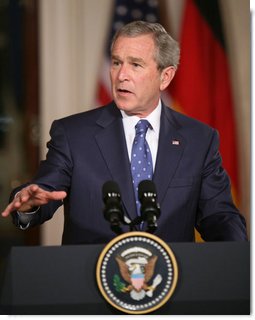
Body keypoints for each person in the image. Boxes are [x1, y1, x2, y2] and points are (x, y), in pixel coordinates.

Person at [1, 20, 247, 244]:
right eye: (117, 62)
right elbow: (45, 191)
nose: (121, 75)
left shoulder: (198, 140)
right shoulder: (73, 134)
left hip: (172, 284)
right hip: (90, 282)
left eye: (136, 65)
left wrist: (239, 258)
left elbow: (219, 216)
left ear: (165, 77)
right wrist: (28, 205)